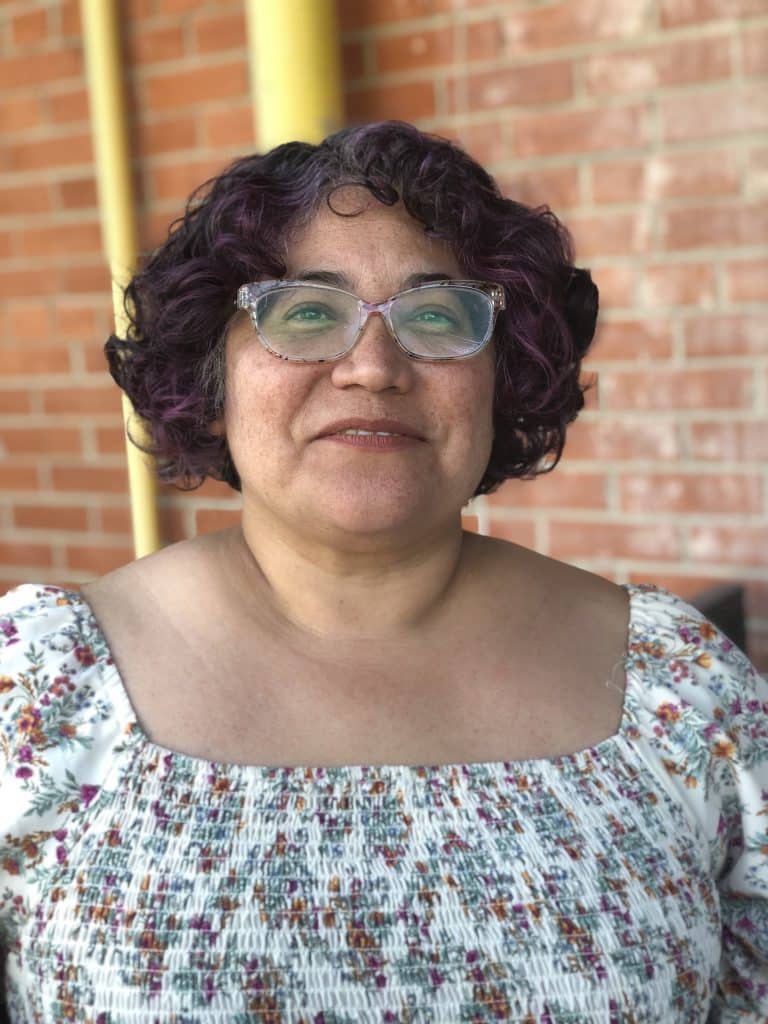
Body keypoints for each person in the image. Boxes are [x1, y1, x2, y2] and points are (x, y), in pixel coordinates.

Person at [0, 120, 765, 1022]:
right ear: (211, 378)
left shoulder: (682, 690)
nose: (372, 367)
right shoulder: (38, 689)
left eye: (436, 316)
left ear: (502, 380)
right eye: (304, 313)